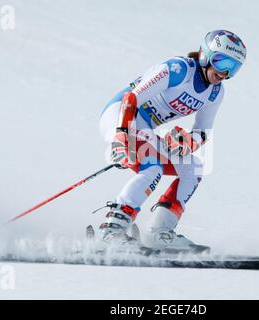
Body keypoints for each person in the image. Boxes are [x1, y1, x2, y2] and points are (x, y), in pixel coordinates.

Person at [97, 30, 246, 251]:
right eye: (221, 61)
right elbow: (133, 97)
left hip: (143, 126)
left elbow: (202, 132)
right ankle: (112, 231)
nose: (224, 72)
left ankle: (160, 231)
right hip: (120, 114)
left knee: (193, 167)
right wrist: (121, 134)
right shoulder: (178, 70)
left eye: (233, 68)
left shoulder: (215, 93)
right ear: (205, 55)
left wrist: (186, 142)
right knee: (152, 167)